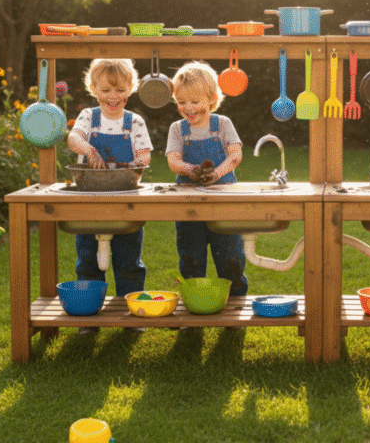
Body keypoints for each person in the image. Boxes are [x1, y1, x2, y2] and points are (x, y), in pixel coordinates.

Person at [67, 58, 153, 334]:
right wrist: (90, 150)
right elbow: (73, 139)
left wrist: (135, 163)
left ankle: (133, 314)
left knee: (129, 261)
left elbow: (145, 156)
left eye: (120, 90)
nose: (113, 97)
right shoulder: (89, 117)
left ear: (131, 89)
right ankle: (89, 317)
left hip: (126, 200)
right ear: (93, 89)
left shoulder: (134, 122)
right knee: (88, 260)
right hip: (90, 199)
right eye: (105, 90)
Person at [166, 61, 248, 297]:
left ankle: (236, 304)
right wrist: (190, 170)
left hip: (224, 202)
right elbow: (173, 161)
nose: (188, 108)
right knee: (190, 258)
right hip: (189, 205)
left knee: (231, 259)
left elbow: (235, 155)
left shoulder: (222, 124)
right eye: (181, 102)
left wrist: (216, 174)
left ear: (212, 98)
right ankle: (194, 302)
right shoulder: (177, 129)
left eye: (195, 101)